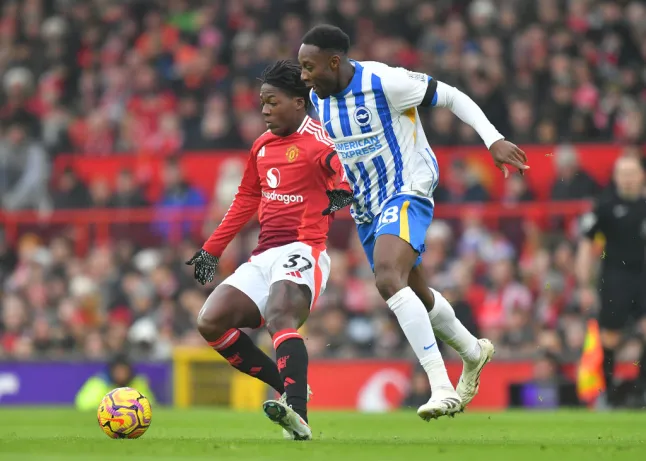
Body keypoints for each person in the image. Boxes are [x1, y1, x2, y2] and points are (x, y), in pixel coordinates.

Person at [298, 24, 529, 420]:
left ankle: (441, 387)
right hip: (367, 206)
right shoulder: (317, 100)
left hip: (409, 186)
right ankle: (473, 352)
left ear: (334, 62)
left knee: (388, 278)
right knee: (415, 291)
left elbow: (452, 96)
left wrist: (492, 139)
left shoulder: (385, 81)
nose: (304, 75)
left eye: (309, 66)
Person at [186, 60, 352, 440]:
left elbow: (341, 176)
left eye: (271, 102)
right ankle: (288, 385)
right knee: (210, 321)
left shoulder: (319, 143)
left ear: (298, 102)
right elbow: (246, 199)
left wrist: (342, 190)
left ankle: (298, 415)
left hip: (304, 249)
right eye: (262, 103)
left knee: (280, 314)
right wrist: (211, 250)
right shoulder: (262, 147)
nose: (264, 111)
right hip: (263, 256)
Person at [576, 155, 646, 408]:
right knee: (610, 338)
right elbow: (586, 244)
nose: (627, 179)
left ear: (641, 175)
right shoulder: (604, 207)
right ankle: (609, 392)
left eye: (632, 173)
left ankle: (641, 391)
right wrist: (585, 284)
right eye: (622, 173)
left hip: (643, 276)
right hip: (615, 277)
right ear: (616, 178)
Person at [74, 354, 155, 411]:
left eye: (124, 370)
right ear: (112, 371)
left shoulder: (138, 383)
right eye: (118, 370)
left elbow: (150, 404)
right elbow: (84, 404)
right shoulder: (99, 383)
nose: (121, 374)